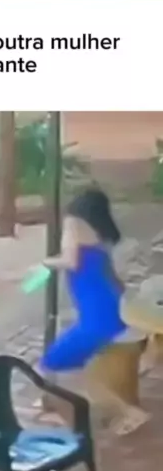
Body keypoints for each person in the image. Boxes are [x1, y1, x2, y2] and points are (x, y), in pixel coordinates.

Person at [40, 186, 148, 434]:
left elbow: (70, 261)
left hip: (95, 316)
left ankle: (130, 413)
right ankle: (58, 407)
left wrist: (46, 262)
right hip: (111, 307)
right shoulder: (103, 233)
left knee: (51, 363)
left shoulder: (72, 223)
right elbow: (112, 277)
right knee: (75, 368)